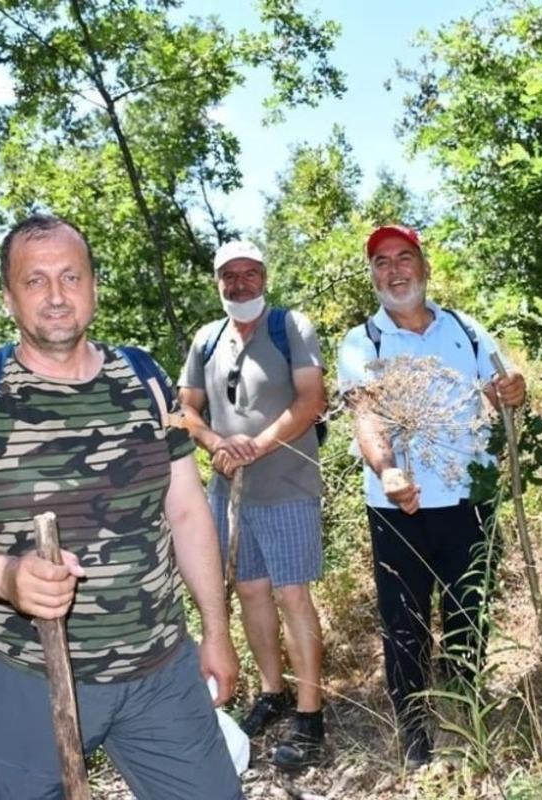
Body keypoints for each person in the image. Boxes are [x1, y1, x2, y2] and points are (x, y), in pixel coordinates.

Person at [0, 214, 244, 799]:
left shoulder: (145, 380)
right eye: (35, 281)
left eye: (71, 276)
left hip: (160, 670)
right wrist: (5, 576)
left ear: (93, 286)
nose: (57, 296)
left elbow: (186, 511)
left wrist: (215, 630)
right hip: (24, 676)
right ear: (9, 297)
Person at [337, 224, 526, 768]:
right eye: (381, 263)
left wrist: (513, 389)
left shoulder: (466, 330)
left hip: (469, 498)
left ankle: (465, 704)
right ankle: (415, 732)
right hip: (398, 506)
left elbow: (502, 386)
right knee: (405, 622)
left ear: (424, 266)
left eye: (404, 258)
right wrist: (389, 471)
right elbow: (365, 413)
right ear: (372, 275)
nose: (394, 271)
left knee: (470, 611)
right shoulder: (362, 342)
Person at [178, 240, 328, 771]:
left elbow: (312, 400)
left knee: (292, 595)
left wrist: (254, 447)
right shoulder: (207, 338)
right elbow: (186, 409)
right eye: (229, 276)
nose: (240, 283)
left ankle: (310, 713)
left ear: (264, 276)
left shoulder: (292, 328)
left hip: (287, 485)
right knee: (249, 592)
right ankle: (273, 692)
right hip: (230, 492)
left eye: (249, 273)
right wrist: (217, 444)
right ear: (217, 282)